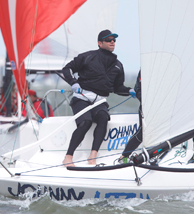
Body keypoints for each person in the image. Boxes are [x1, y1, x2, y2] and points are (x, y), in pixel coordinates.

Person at [61, 29, 136, 166]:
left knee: (103, 118)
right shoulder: (88, 57)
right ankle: (68, 157)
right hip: (82, 97)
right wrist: (73, 82)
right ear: (100, 43)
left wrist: (129, 90)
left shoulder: (118, 66)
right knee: (86, 122)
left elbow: (117, 87)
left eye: (114, 40)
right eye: (109, 40)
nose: (112, 42)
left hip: (100, 100)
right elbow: (67, 69)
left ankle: (92, 156)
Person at [119, 70, 142, 162]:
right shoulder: (145, 69)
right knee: (142, 132)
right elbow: (138, 89)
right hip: (148, 105)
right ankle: (124, 156)